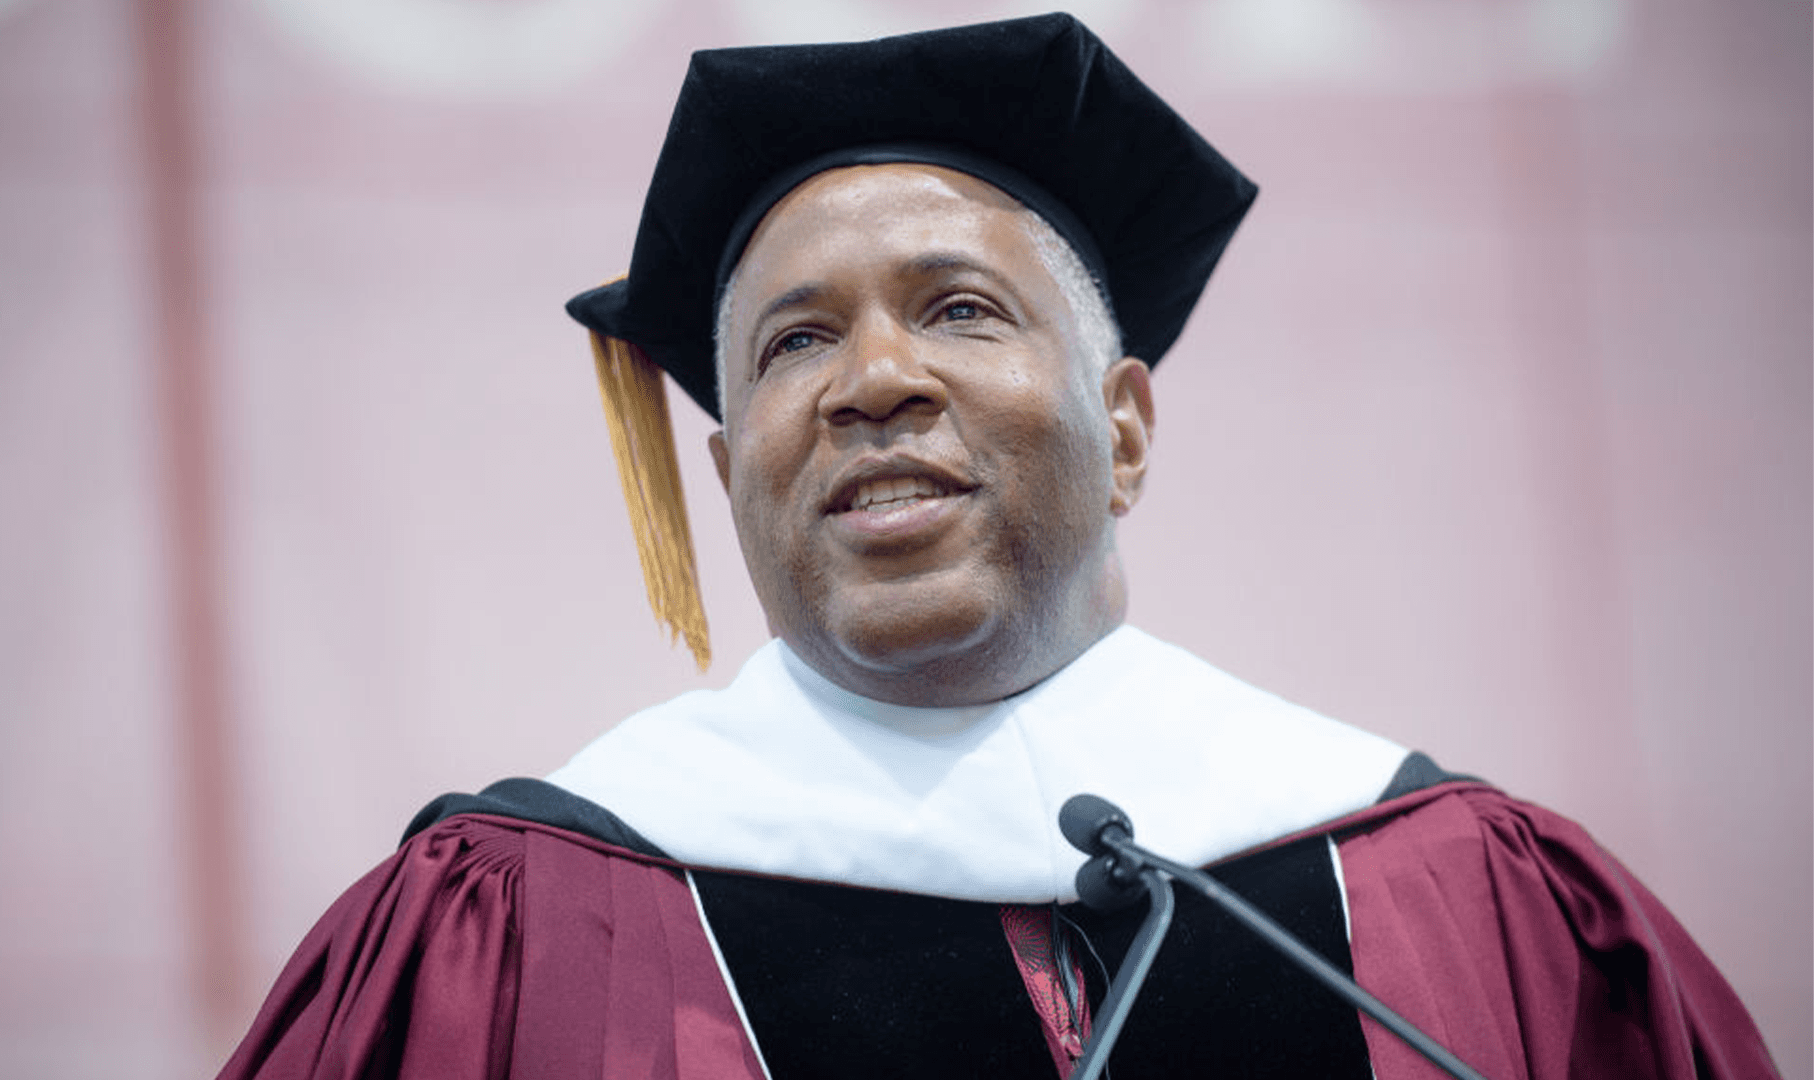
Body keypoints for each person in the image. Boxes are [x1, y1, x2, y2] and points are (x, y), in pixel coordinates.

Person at [217, 14, 1777, 1080]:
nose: (873, 381)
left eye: (961, 308)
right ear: (728, 472)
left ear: (1130, 429)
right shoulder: (511, 927)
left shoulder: (1460, 892)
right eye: (790, 344)